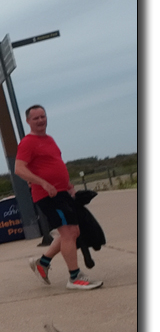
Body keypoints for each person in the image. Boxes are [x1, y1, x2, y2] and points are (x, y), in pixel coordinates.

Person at [15, 105, 103, 291]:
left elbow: (56, 164)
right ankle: (74, 277)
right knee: (70, 232)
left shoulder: (49, 140)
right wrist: (43, 183)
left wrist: (69, 185)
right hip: (48, 195)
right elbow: (19, 168)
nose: (40, 120)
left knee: (72, 232)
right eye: (36, 118)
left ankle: (43, 262)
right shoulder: (28, 142)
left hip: (62, 193)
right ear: (28, 121)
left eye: (43, 116)